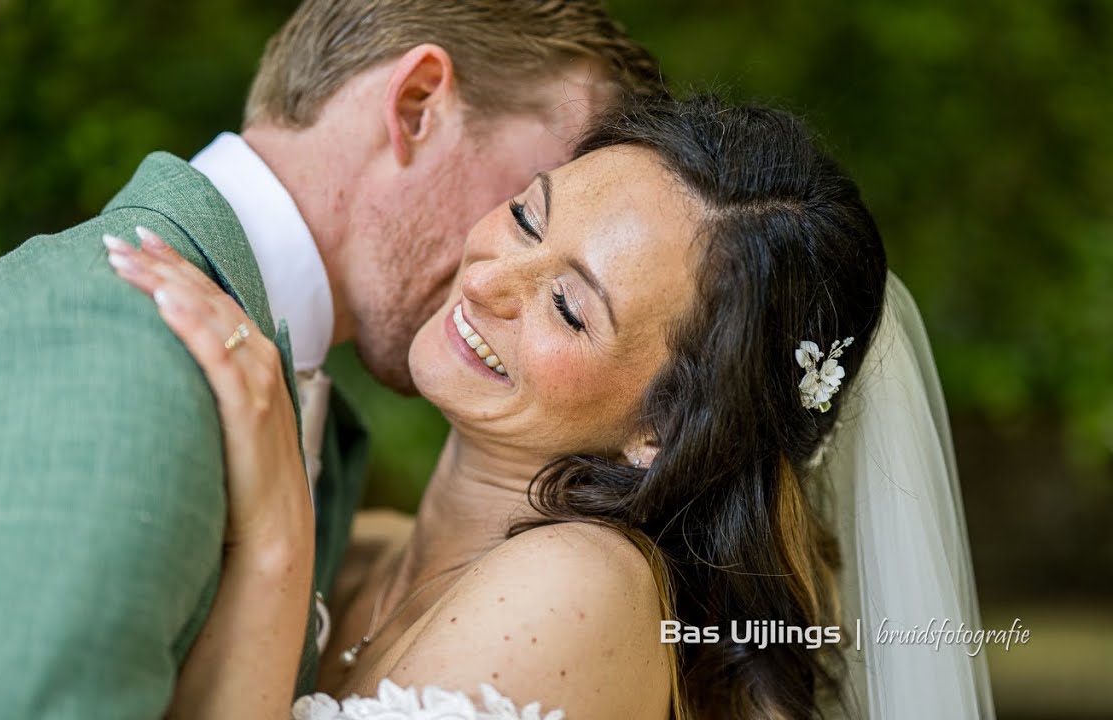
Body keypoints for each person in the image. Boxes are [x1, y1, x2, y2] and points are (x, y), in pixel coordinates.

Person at [0, 2, 662, 716]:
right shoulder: (117, 360)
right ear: (415, 105)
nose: (495, 271)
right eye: (530, 203)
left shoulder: (260, 400)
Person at [102, 93, 981, 719]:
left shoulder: (585, 587)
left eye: (567, 305)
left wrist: (272, 544)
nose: (489, 279)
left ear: (661, 430)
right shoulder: (362, 544)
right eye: (527, 217)